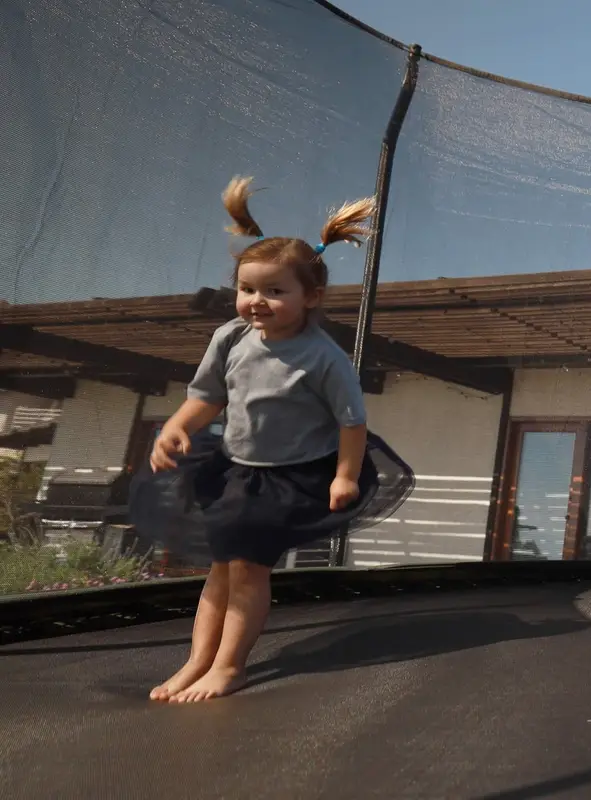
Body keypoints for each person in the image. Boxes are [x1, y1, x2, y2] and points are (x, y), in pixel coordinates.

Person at [129, 176, 414, 703]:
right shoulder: (230, 337)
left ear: (311, 297)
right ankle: (196, 661)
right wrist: (178, 426)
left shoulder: (324, 357)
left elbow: (352, 423)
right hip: (235, 470)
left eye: (275, 292)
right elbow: (208, 396)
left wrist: (345, 476)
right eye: (247, 289)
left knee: (248, 570)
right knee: (220, 570)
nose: (257, 301)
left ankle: (229, 666)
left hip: (293, 476)